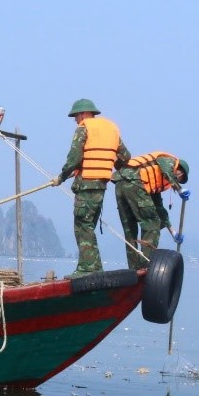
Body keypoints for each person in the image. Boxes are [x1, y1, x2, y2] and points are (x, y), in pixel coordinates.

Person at [54, 99, 131, 275]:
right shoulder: (112, 130)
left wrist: (62, 177)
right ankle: (96, 267)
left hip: (87, 184)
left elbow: (73, 158)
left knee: (82, 226)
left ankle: (86, 268)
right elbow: (126, 157)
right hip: (101, 185)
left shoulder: (83, 128)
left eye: (75, 116)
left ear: (82, 114)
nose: (75, 120)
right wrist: (104, 163)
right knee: (89, 225)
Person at [114, 152, 190, 270]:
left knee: (130, 229)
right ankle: (145, 266)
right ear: (178, 168)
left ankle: (134, 270)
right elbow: (166, 169)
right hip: (134, 181)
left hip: (121, 183)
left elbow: (159, 207)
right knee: (152, 224)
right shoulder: (169, 161)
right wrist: (179, 189)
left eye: (181, 180)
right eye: (180, 176)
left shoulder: (155, 180)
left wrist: (173, 232)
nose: (178, 179)